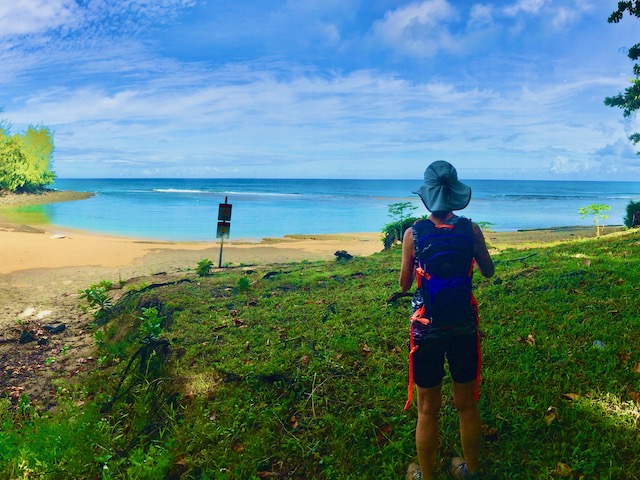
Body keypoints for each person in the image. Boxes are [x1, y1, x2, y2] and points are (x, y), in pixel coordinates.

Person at [400, 161, 494, 480]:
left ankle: (426, 476)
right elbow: (488, 270)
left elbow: (403, 285)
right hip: (463, 326)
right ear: (454, 195)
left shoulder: (414, 233)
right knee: (466, 406)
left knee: (428, 409)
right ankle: (470, 470)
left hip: (425, 329)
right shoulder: (471, 229)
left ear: (427, 196)